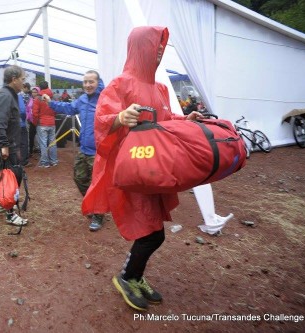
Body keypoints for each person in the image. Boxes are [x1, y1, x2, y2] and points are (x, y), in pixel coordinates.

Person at [81, 26, 204, 311]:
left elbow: (166, 118)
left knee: (152, 229)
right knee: (152, 232)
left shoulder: (160, 88)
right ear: (140, 47)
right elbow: (102, 120)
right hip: (133, 169)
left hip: (154, 169)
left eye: (162, 47)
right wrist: (121, 116)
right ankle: (127, 277)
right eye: (154, 45)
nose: (159, 51)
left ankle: (134, 276)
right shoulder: (120, 84)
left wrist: (186, 119)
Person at [43, 70, 106, 231]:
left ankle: (98, 215)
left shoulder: (105, 100)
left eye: (91, 82)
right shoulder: (83, 99)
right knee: (79, 178)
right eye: (85, 82)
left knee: (97, 185)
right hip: (84, 149)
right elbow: (69, 108)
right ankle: (92, 204)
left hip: (99, 152)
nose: (87, 85)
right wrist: (51, 102)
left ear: (98, 82)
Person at [0, 65, 28, 226]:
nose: (24, 83)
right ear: (14, 79)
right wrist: (4, 145)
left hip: (10, 144)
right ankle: (10, 213)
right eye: (22, 79)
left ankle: (2, 204)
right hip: (8, 146)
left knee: (6, 177)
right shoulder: (5, 95)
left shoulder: (9, 94)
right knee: (12, 178)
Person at [33, 81, 58, 168]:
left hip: (42, 123)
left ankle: (45, 162)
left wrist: (36, 122)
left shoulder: (38, 98)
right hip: (52, 122)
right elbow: (56, 108)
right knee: (52, 142)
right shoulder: (53, 97)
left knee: (43, 143)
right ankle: (54, 161)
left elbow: (35, 113)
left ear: (40, 88)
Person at [26, 86, 40, 156]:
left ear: (38, 92)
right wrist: (28, 117)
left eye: (35, 92)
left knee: (40, 136)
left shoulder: (40, 100)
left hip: (39, 121)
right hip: (31, 121)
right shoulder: (30, 100)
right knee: (31, 136)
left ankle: (40, 150)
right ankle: (31, 151)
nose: (34, 93)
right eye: (33, 92)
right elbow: (27, 109)